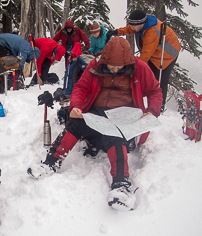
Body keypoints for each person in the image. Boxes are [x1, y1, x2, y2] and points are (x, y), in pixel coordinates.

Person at [27, 37, 163, 211]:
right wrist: (75, 106)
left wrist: (152, 111)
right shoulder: (96, 65)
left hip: (123, 116)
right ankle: (50, 163)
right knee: (75, 125)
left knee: (115, 137)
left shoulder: (139, 67)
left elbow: (154, 91)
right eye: (111, 67)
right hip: (96, 112)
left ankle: (121, 184)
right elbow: (81, 87)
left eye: (118, 67)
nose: (114, 70)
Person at [106, 10, 181, 112]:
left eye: (133, 25)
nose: (131, 27)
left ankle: (160, 105)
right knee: (148, 76)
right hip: (155, 53)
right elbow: (131, 28)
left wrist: (131, 68)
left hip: (167, 55)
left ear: (141, 24)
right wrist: (117, 32)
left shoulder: (152, 32)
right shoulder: (142, 22)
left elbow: (144, 57)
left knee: (160, 80)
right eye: (131, 24)